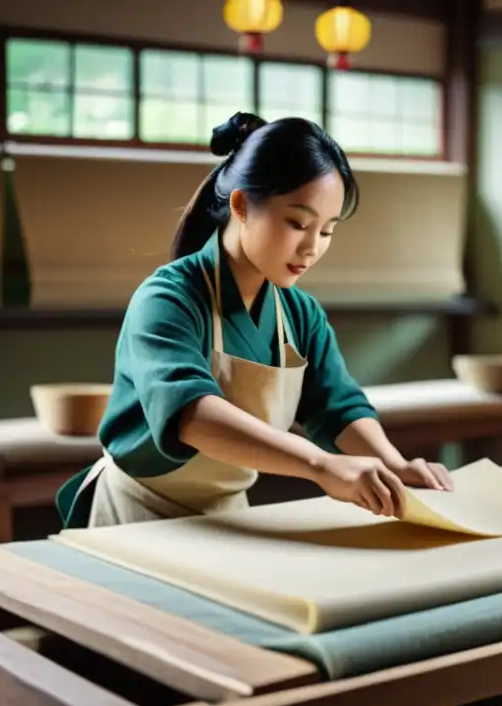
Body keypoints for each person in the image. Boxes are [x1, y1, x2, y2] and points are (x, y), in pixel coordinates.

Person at [56, 112, 453, 529]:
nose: (311, 248)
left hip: (227, 516)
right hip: (135, 514)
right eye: (298, 223)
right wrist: (321, 466)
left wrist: (392, 464)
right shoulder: (167, 299)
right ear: (241, 205)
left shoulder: (300, 314)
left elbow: (338, 406)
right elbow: (192, 415)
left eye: (327, 231)